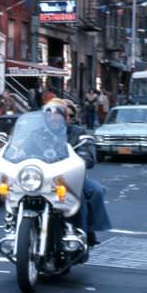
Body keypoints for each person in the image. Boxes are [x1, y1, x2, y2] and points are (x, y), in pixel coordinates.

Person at [46, 99, 111, 246]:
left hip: (70, 177)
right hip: (43, 177)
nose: (55, 118)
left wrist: (82, 158)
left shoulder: (77, 132)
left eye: (67, 115)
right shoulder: (39, 133)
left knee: (92, 192)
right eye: (51, 114)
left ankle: (83, 232)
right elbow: (25, 148)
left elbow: (87, 156)